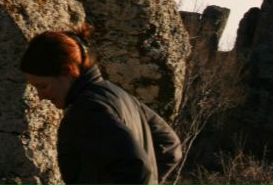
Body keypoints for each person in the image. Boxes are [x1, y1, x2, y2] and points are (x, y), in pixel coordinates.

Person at [21, 26, 182, 185]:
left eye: (43, 86)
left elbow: (137, 167)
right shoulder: (119, 96)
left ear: (67, 71)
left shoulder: (89, 109)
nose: (41, 96)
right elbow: (169, 145)